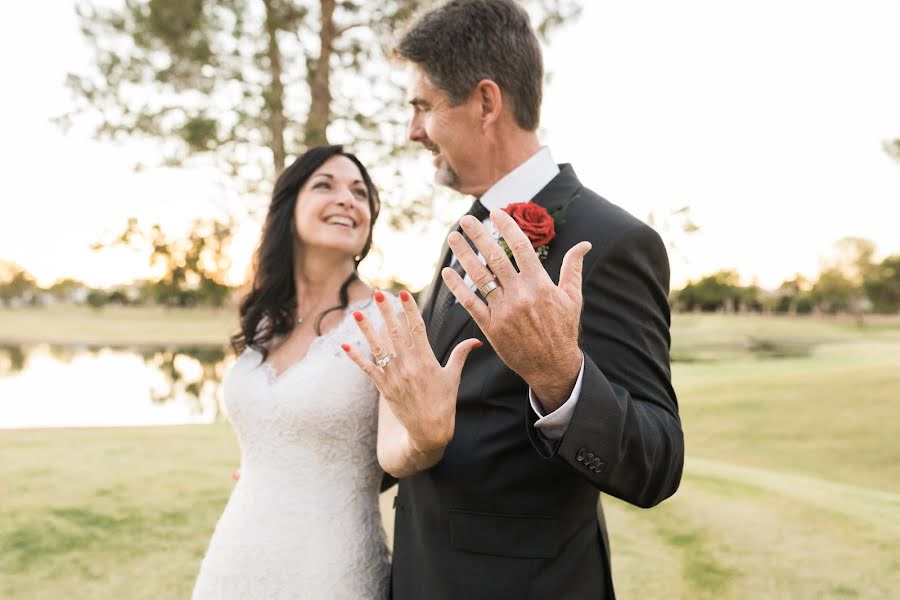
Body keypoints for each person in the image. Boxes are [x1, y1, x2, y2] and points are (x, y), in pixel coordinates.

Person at [344, 1, 685, 598]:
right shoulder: (462, 234)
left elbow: (657, 460)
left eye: (423, 106)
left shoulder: (611, 240)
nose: (412, 131)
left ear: (485, 103)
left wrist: (560, 376)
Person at [191, 145, 394, 599]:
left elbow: (411, 445)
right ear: (289, 207)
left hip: (331, 565)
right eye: (325, 185)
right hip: (236, 555)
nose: (347, 199)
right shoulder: (263, 316)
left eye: (360, 193)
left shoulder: (388, 317)